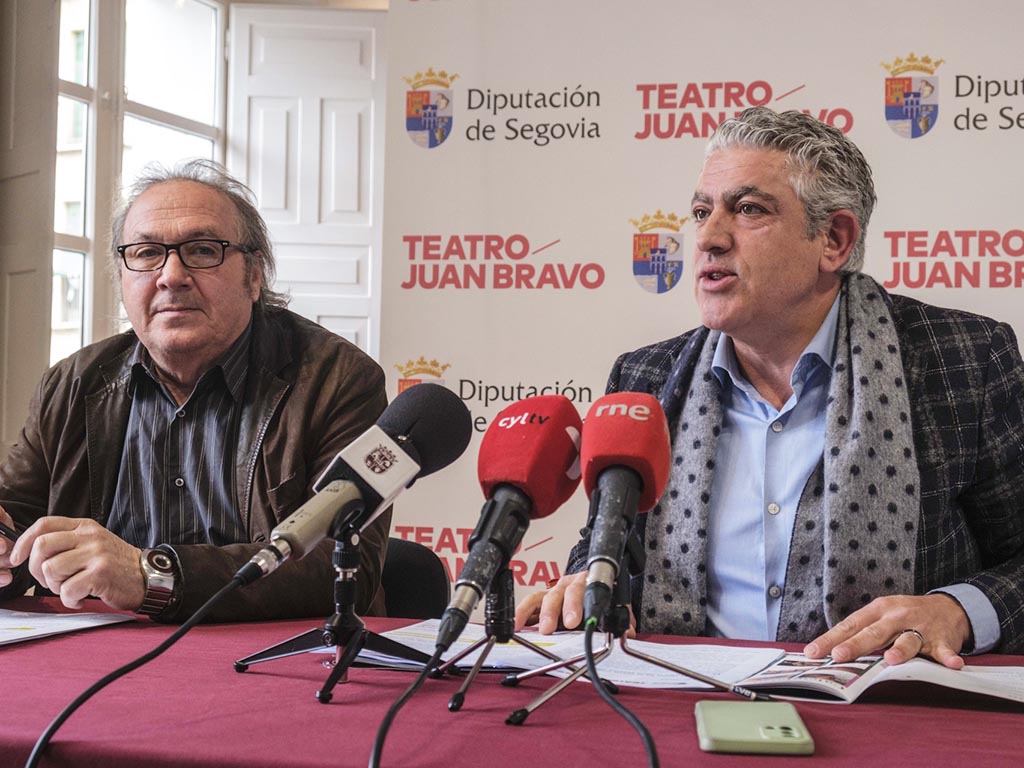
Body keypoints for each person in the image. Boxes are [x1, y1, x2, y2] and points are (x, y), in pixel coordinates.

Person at [516, 107, 1024, 667]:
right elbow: (602, 546)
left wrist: (955, 611)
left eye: (749, 209)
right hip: (676, 699)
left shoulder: (963, 361)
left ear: (833, 239)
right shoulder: (644, 380)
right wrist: (584, 584)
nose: (708, 238)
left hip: (888, 705)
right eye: (701, 212)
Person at [0, 160, 390, 622]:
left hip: (270, 662)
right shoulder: (70, 384)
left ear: (255, 275)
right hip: (95, 657)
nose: (171, 275)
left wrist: (152, 576)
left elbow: (343, 561)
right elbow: (18, 520)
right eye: (146, 253)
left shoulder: (337, 380)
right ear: (122, 278)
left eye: (203, 250)